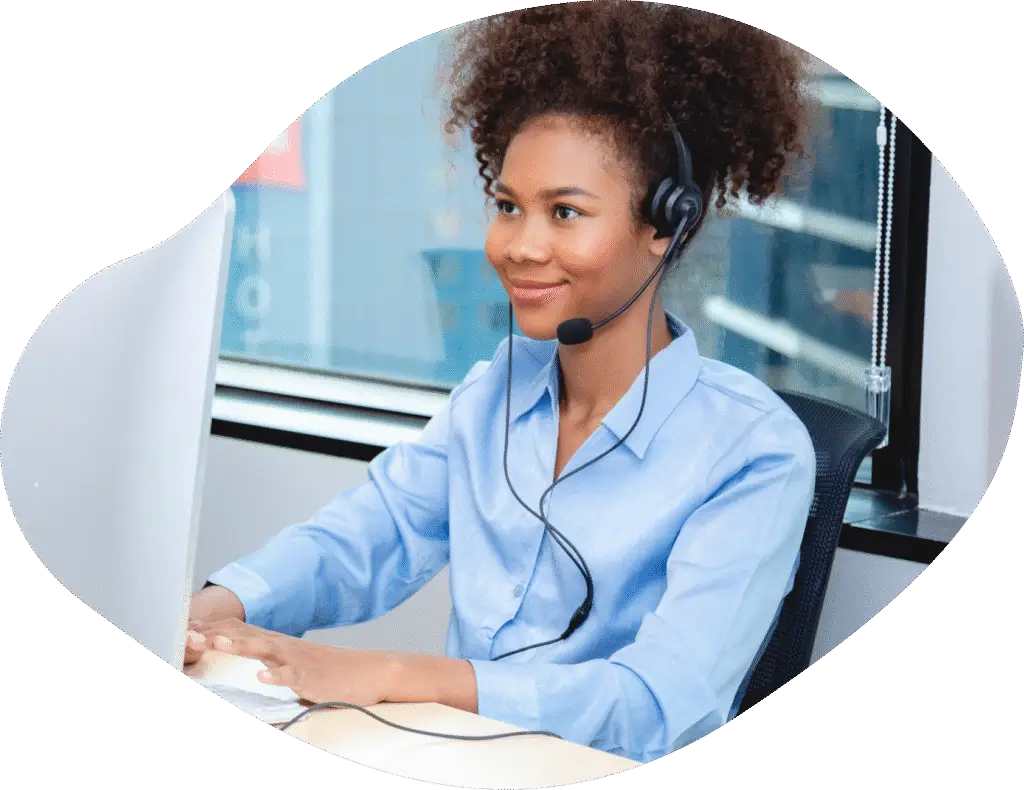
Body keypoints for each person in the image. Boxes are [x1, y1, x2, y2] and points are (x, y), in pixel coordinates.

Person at [186, 1, 817, 763]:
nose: (520, 245)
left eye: (565, 212)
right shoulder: (497, 392)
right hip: (457, 758)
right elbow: (369, 536)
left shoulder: (752, 449)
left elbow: (659, 706)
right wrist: (212, 611)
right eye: (509, 206)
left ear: (666, 224)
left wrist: (391, 675)